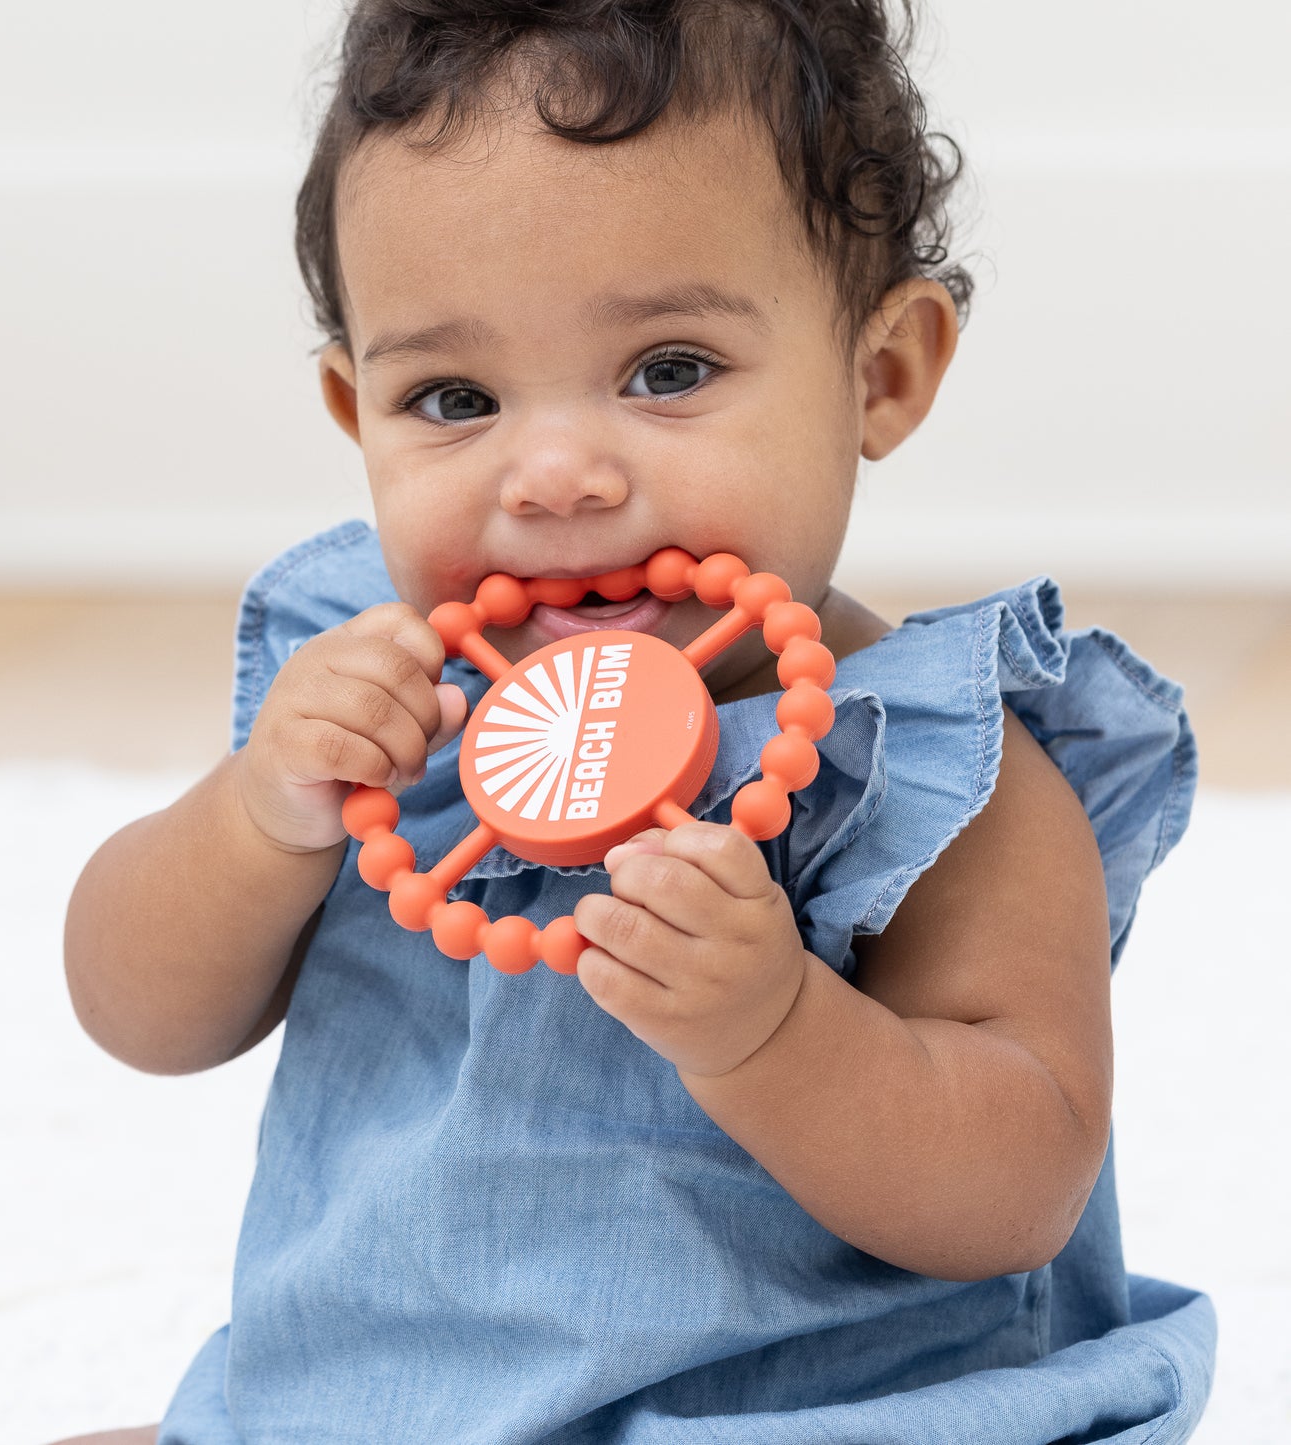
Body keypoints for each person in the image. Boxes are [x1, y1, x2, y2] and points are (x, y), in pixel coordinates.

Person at [58, 2, 1215, 1441]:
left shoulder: (923, 764)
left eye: (667, 370)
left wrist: (774, 1028)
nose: (551, 472)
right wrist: (249, 819)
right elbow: (137, 1009)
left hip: (789, 1416)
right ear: (357, 414)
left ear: (882, 371)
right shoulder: (387, 716)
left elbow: (1015, 1183)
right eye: (454, 396)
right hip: (376, 1399)